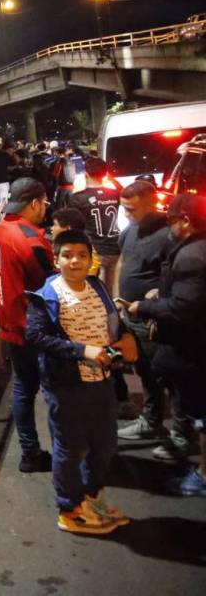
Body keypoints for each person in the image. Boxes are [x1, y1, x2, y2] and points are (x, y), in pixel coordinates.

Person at [25, 229, 128, 534]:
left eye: (82, 255)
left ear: (90, 259)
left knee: (105, 444)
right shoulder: (46, 295)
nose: (75, 261)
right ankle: (69, 509)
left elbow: (112, 322)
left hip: (103, 379)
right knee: (70, 449)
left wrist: (124, 339)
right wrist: (82, 350)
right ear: (56, 260)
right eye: (67, 255)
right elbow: (35, 336)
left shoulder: (97, 286)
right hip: (66, 384)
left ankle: (91, 498)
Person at [120, 193, 206, 496]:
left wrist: (146, 307)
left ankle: (200, 470)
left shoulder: (191, 254)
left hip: (192, 344)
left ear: (185, 221)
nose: (170, 225)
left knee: (195, 405)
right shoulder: (190, 248)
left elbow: (184, 306)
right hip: (185, 338)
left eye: (173, 219)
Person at [0, 178, 56, 473]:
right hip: (35, 324)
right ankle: (66, 454)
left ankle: (30, 452)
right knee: (54, 391)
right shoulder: (31, 239)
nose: (45, 209)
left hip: (9, 322)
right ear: (35, 203)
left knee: (23, 389)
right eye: (44, 203)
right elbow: (49, 282)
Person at [114, 181, 188, 456]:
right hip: (132, 317)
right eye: (124, 208)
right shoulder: (129, 230)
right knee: (144, 371)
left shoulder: (169, 235)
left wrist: (155, 300)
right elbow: (123, 262)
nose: (127, 214)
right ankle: (152, 421)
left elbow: (177, 277)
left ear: (151, 202)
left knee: (170, 377)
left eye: (132, 209)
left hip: (153, 320)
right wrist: (118, 301)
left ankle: (182, 434)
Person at [69, 157, 121, 296]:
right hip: (116, 246)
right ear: (105, 174)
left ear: (86, 173)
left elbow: (75, 226)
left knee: (96, 292)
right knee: (114, 291)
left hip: (94, 250)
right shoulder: (116, 194)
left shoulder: (78, 198)